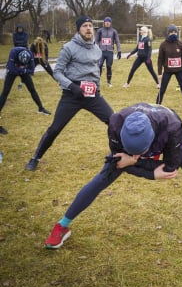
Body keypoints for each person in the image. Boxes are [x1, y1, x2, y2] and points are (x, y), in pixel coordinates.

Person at [43, 103, 182, 261]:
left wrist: (140, 166)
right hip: (138, 137)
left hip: (166, 134)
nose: (137, 157)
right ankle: (62, 225)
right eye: (133, 153)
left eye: (142, 153)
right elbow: (119, 162)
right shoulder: (116, 124)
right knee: (101, 179)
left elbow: (170, 168)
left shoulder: (172, 127)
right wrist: (137, 165)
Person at [25, 16, 114, 171]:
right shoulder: (68, 48)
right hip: (72, 95)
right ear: (78, 29)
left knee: (114, 121)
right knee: (55, 128)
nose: (88, 28)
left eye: (90, 26)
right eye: (84, 26)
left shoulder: (97, 49)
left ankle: (116, 153)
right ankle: (35, 158)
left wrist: (97, 89)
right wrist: (72, 86)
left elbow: (95, 71)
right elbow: (57, 73)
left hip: (92, 94)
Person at [156, 24, 182, 118]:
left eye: (175, 32)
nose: (173, 34)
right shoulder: (163, 44)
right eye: (171, 32)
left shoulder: (180, 44)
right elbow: (160, 59)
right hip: (167, 71)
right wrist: (159, 72)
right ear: (168, 33)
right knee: (162, 90)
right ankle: (156, 109)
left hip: (179, 71)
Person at [0, 47, 51, 117]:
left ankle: (41, 108)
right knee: (5, 92)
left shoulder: (30, 55)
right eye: (21, 63)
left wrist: (24, 70)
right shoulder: (13, 53)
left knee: (32, 89)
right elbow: (11, 69)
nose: (22, 64)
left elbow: (32, 70)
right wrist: (21, 69)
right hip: (13, 70)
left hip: (23, 71)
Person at [96, 17, 121, 87]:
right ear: (104, 23)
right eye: (106, 22)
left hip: (110, 51)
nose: (107, 23)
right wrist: (97, 48)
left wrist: (119, 51)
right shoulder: (100, 31)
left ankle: (109, 82)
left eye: (108, 22)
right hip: (101, 51)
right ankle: (97, 81)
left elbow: (117, 41)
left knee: (109, 66)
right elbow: (96, 41)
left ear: (110, 23)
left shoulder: (114, 31)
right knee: (99, 65)